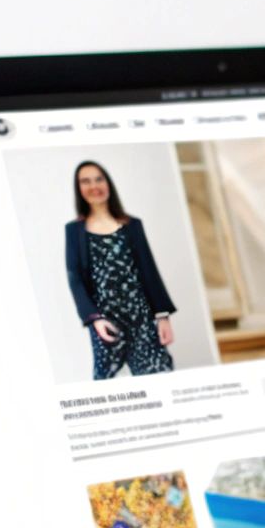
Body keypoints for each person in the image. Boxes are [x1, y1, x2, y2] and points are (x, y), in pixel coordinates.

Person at [63, 161, 176, 379]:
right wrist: (94, 318)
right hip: (105, 323)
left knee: (159, 378)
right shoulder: (74, 231)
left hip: (141, 319)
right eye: (85, 181)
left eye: (99, 179)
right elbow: (74, 278)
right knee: (110, 385)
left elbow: (148, 271)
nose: (94, 185)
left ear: (108, 183)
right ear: (78, 189)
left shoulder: (132, 225)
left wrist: (162, 316)